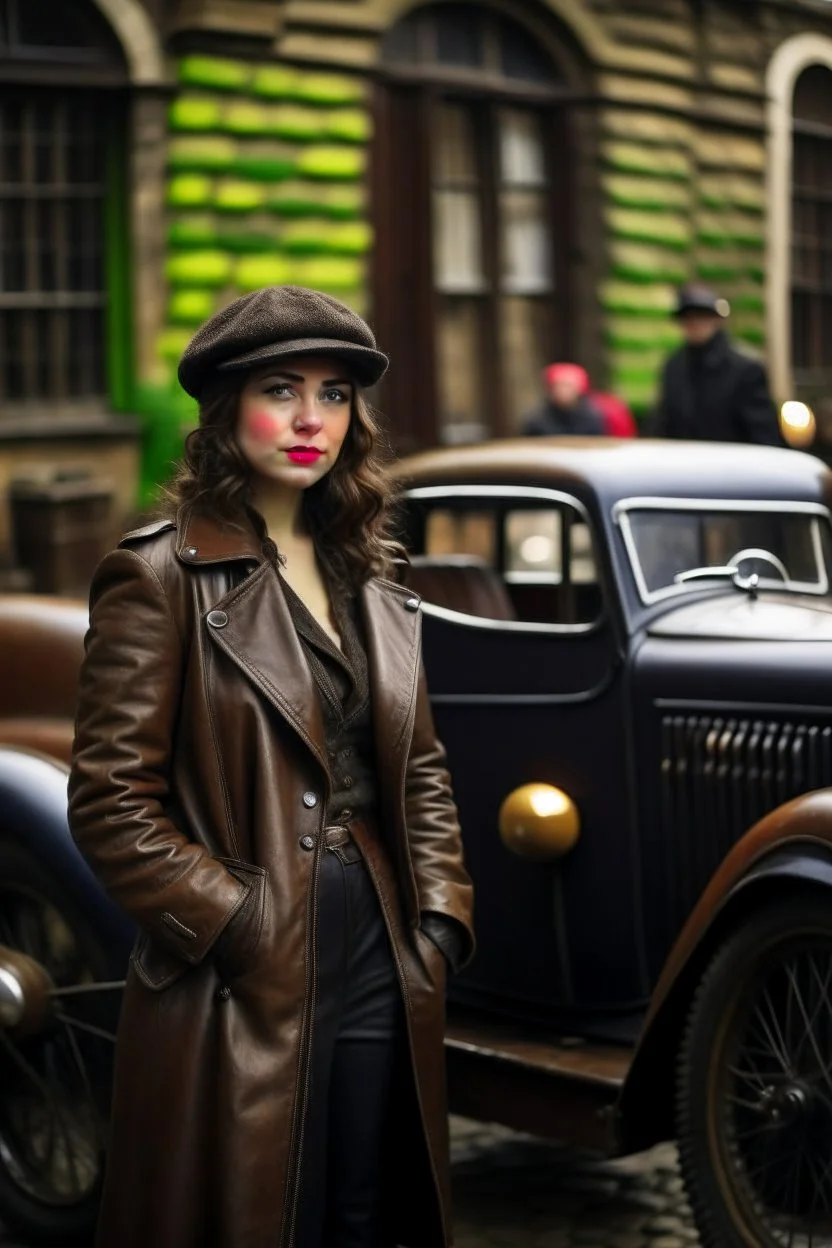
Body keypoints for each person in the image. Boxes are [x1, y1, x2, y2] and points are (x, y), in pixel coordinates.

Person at [68, 285, 475, 1248]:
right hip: (243, 946)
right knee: (262, 1207)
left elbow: (418, 765)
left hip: (381, 926)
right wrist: (236, 919)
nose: (309, 420)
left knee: (368, 1201)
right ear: (224, 413)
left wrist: (441, 916)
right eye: (280, 390)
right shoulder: (158, 575)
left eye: (334, 396)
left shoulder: (369, 574)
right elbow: (110, 802)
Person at [653, 285, 783, 445]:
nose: (694, 324)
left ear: (716, 320)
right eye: (688, 318)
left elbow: (763, 433)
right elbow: (663, 422)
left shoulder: (745, 369)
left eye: (702, 316)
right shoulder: (674, 367)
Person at [522, 362, 606, 436]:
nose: (563, 391)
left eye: (568, 386)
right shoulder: (536, 419)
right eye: (558, 386)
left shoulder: (593, 417)